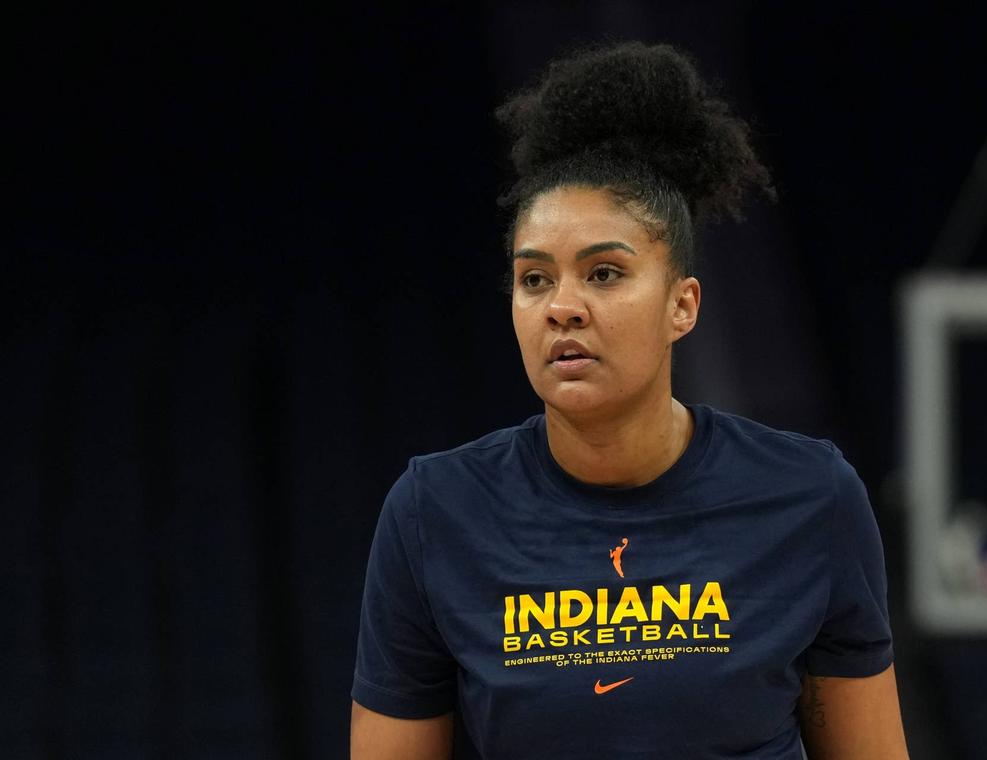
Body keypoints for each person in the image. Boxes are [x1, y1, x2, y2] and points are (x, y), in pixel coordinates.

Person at [350, 41, 909, 759]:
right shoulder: (434, 512)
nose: (563, 307)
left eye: (605, 273)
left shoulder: (811, 496)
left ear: (683, 306)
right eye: (534, 279)